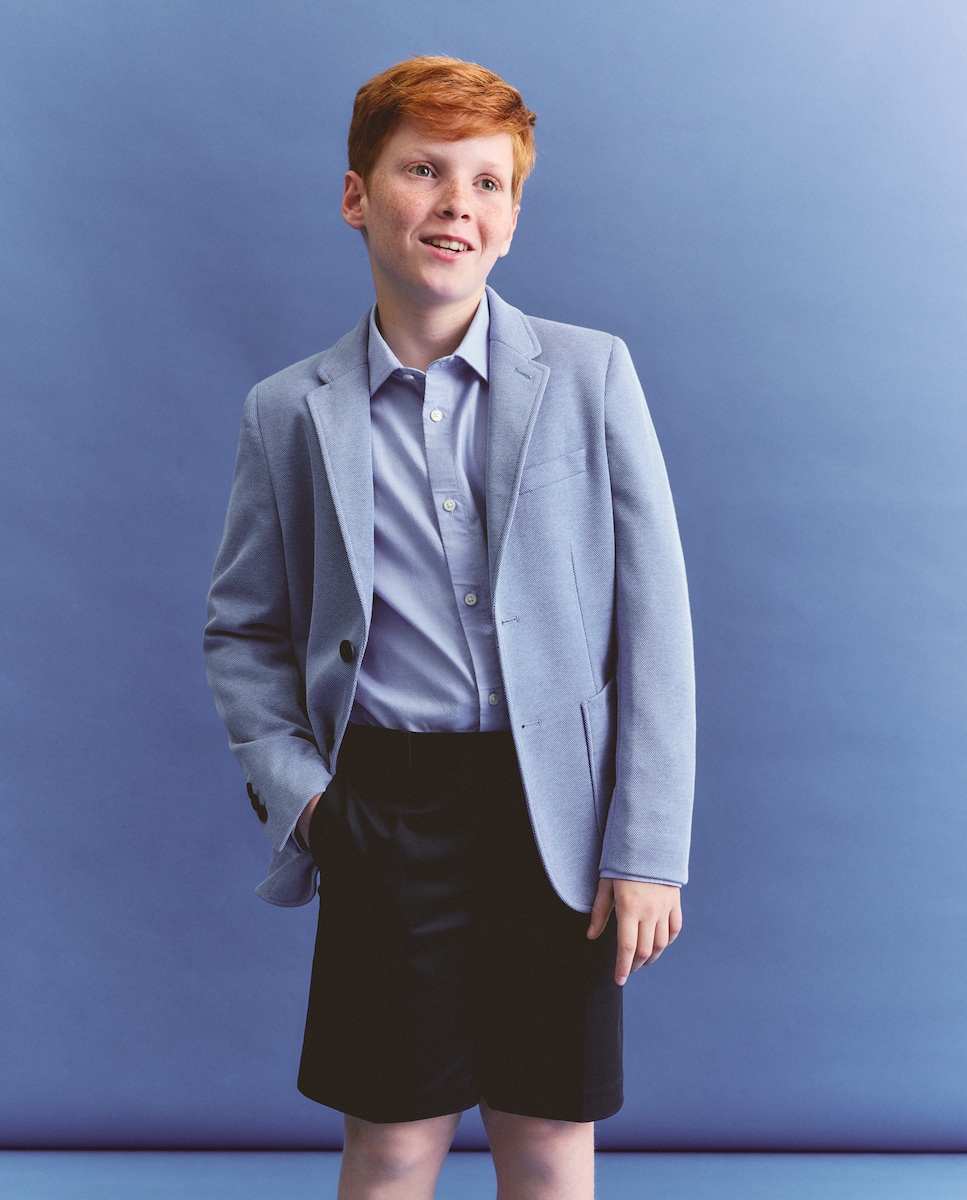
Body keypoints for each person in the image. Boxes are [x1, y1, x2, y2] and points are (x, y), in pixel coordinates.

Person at [204, 55, 694, 1200]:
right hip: (384, 809)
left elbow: (654, 623)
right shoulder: (288, 413)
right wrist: (313, 804)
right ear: (356, 196)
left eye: (485, 183)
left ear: (511, 220)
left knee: (549, 1137)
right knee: (391, 1144)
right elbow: (243, 632)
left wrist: (646, 849)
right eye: (422, 171)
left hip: (556, 816)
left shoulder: (589, 374)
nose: (454, 205)